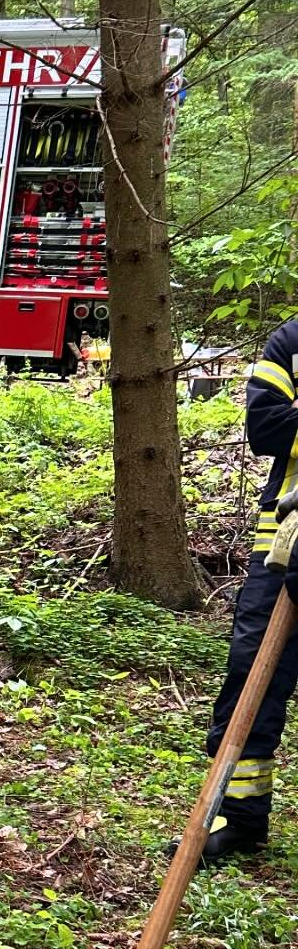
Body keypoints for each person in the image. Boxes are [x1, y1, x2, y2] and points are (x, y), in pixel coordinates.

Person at [190, 316, 298, 862]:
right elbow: (267, 428)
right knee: (251, 674)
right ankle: (240, 816)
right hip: (283, 545)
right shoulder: (292, 341)